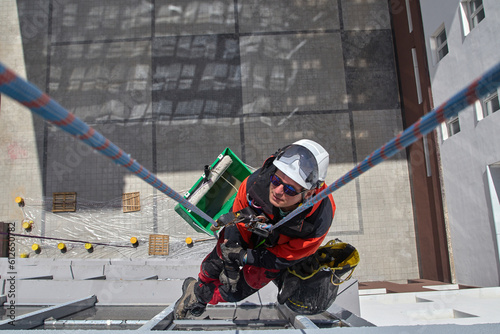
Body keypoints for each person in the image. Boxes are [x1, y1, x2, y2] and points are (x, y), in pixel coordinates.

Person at [174, 139, 336, 319]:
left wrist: (246, 257)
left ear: (309, 194)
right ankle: (196, 293)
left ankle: (207, 298)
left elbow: (284, 256)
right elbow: (239, 219)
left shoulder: (318, 220)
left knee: (235, 291)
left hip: (277, 248)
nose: (278, 191)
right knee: (214, 264)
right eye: (276, 179)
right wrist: (232, 253)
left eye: (290, 189)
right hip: (251, 226)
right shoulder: (255, 184)